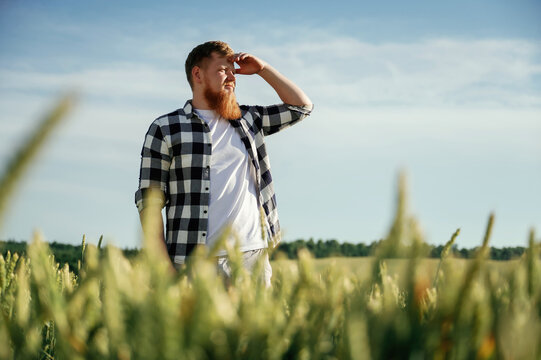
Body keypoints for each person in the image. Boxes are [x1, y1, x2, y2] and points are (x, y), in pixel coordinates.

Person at [135, 41, 312, 286]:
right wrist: (163, 266)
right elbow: (149, 202)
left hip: (252, 260)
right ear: (197, 74)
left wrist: (263, 69)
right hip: (191, 263)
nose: (232, 77)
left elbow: (301, 107)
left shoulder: (249, 119)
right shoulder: (165, 128)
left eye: (233, 70)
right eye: (223, 70)